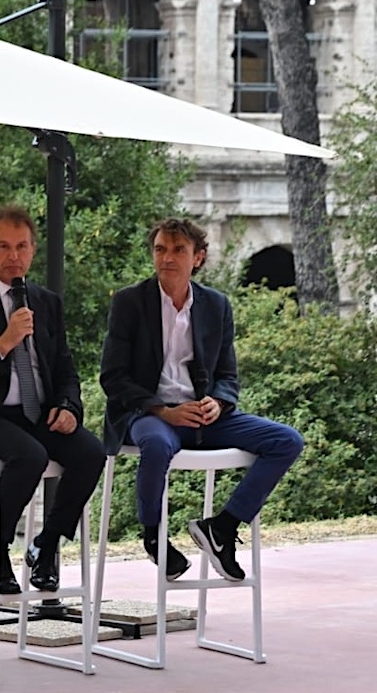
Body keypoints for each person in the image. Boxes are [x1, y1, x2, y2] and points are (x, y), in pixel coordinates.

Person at [100, 217, 303, 581]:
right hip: (149, 414)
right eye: (160, 249)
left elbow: (228, 375)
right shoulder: (130, 302)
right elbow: (113, 377)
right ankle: (154, 537)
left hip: (203, 416)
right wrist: (163, 410)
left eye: (179, 250)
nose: (167, 258)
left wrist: (218, 403)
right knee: (157, 445)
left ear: (198, 257)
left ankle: (222, 528)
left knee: (286, 440)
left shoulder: (216, 305)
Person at [0, 205, 103, 595]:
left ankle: (46, 546)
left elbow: (64, 367)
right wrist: (3, 343)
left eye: (22, 246)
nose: (14, 256)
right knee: (30, 455)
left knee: (91, 452)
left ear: (33, 250)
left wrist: (68, 406)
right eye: (4, 246)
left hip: (38, 412)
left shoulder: (46, 302)